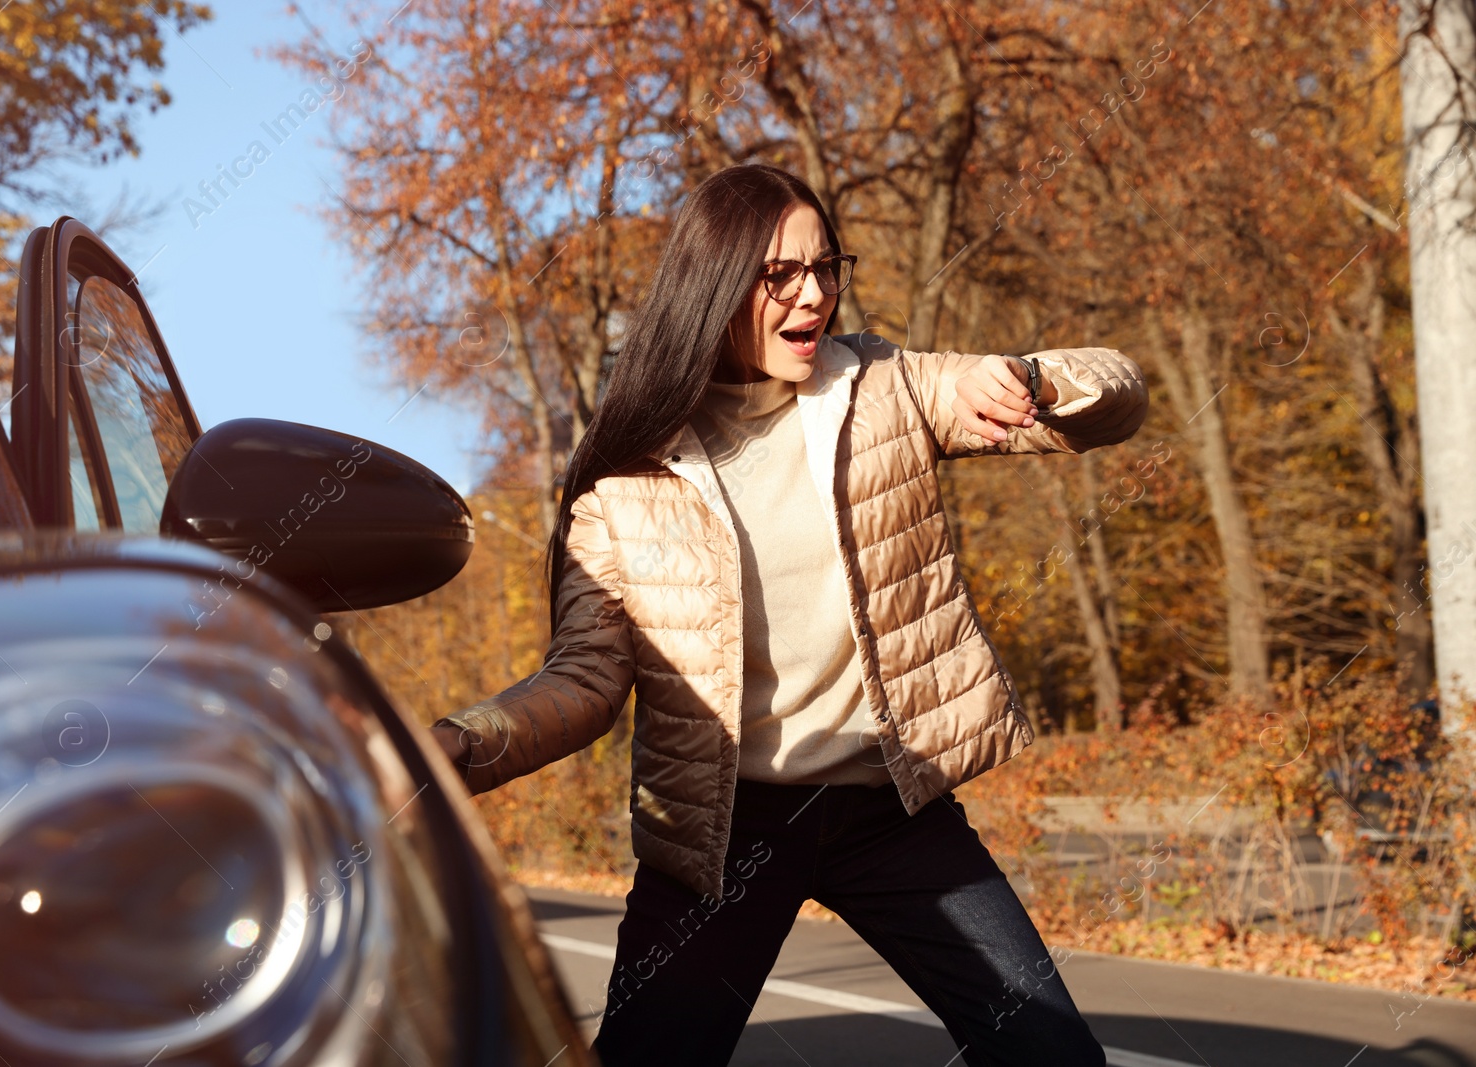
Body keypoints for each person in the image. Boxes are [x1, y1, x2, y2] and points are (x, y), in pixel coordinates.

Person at [430, 163, 1146, 1066]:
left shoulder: (883, 387)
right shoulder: (626, 484)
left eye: (826, 267)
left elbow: (1115, 395)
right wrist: (462, 744)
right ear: (717, 286)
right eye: (781, 275)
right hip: (724, 832)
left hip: (891, 812)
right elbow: (585, 681)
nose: (814, 294)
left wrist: (1034, 381)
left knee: (1053, 1058)